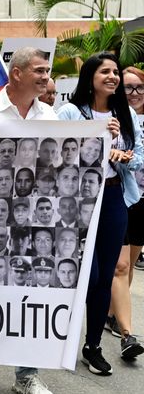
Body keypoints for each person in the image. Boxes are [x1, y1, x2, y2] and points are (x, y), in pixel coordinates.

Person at [0, 47, 64, 394]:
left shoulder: (49, 116)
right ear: (17, 73)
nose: (44, 76)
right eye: (38, 70)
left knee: (30, 290)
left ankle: (27, 376)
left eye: (47, 71)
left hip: (28, 220)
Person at [58, 52, 144, 372]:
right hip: (77, 201)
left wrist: (123, 156)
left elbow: (138, 158)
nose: (113, 77)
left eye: (116, 72)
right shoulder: (69, 112)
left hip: (111, 198)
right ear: (90, 77)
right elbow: (55, 155)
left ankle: (92, 345)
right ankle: (60, 337)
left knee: (105, 276)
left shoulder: (125, 113)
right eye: (105, 71)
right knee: (88, 274)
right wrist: (95, 138)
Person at [106, 66, 144, 359]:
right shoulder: (75, 112)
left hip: (135, 197)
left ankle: (115, 318)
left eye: (137, 87)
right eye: (127, 87)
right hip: (113, 194)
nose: (132, 93)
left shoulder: (130, 119)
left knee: (127, 264)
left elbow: (138, 155)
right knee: (116, 266)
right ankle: (119, 325)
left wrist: (127, 157)